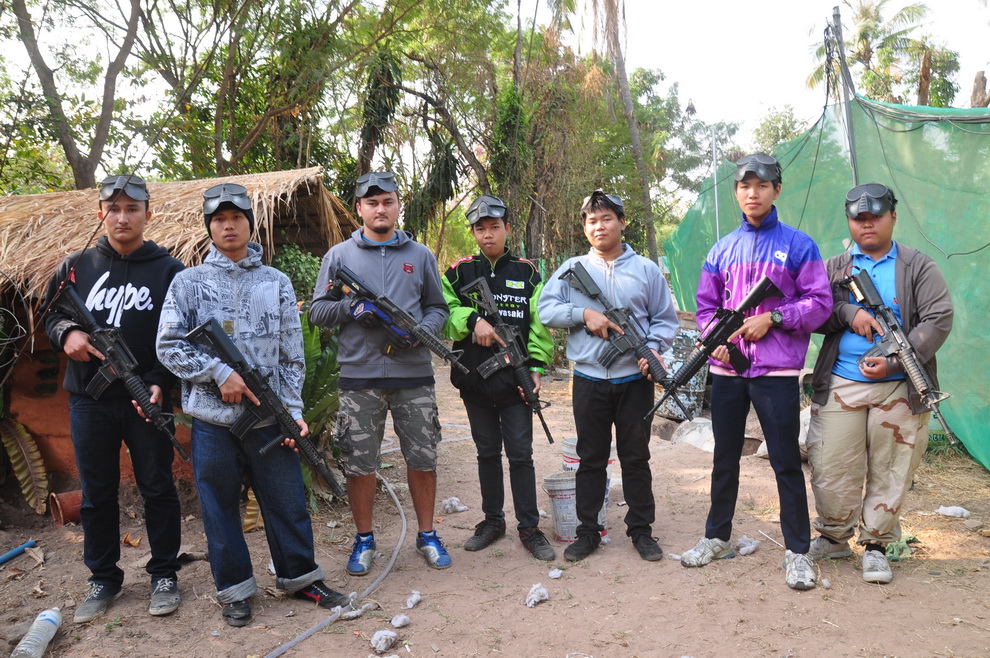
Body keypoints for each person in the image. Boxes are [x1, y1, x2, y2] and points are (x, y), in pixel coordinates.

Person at [156, 183, 349, 627]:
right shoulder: (188, 283)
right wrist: (218, 373)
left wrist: (294, 410)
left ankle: (301, 578)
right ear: (210, 227)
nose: (229, 226)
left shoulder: (275, 282)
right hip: (212, 422)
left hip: (269, 418)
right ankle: (235, 591)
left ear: (250, 224)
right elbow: (168, 346)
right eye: (219, 219)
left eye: (236, 218)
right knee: (219, 508)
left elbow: (292, 355)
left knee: (286, 502)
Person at [677, 153, 831, 591]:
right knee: (724, 459)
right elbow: (706, 308)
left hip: (776, 372)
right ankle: (717, 537)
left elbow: (820, 303)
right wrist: (717, 342)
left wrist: (774, 318)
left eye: (762, 185)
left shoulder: (799, 245)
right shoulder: (721, 249)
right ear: (736, 192)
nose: (752, 193)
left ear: (776, 190)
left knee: (785, 462)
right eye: (744, 186)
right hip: (728, 371)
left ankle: (797, 550)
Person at [42, 174, 183, 624]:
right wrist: (68, 333)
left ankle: (164, 573)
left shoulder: (170, 271)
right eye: (114, 208)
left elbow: (180, 336)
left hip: (148, 399)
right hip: (90, 399)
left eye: (132, 209)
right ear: (100, 213)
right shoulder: (75, 266)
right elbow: (50, 315)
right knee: (97, 492)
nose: (122, 217)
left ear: (148, 213)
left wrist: (160, 382)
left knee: (158, 487)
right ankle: (103, 577)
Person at [806, 183, 952, 584]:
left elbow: (939, 317)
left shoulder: (917, 266)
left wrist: (893, 363)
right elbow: (812, 312)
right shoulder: (835, 267)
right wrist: (848, 313)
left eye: (875, 217)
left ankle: (876, 546)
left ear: (893, 217)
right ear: (849, 221)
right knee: (831, 465)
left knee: (892, 468)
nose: (866, 224)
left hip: (900, 386)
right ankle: (834, 538)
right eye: (859, 218)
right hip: (841, 381)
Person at [309, 171, 452, 575]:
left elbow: (438, 307)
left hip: (414, 374)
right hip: (360, 377)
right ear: (359, 208)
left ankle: (427, 535)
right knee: (360, 463)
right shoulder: (339, 257)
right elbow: (318, 311)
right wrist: (352, 309)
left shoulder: (420, 256)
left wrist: (422, 330)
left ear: (398, 205)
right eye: (371, 203)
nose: (380, 209)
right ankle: (364, 539)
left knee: (422, 458)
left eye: (387, 201)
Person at [538, 190, 678, 563]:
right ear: (585, 227)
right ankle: (588, 532)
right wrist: (584, 315)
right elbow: (546, 310)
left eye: (606, 219)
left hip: (634, 381)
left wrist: (653, 349)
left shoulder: (646, 270)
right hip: (589, 380)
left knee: (636, 457)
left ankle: (641, 531)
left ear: (622, 222)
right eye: (591, 220)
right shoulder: (572, 268)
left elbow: (664, 319)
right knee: (591, 458)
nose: (599, 226)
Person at [441, 195, 556, 561]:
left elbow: (539, 323)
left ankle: (529, 528)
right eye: (480, 229)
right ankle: (492, 521)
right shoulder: (459, 272)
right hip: (475, 379)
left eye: (494, 227)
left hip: (515, 383)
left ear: (507, 228)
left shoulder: (527, 272)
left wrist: (536, 368)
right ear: (473, 233)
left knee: (521, 455)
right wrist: (473, 320)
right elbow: (443, 310)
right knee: (487, 453)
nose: (488, 235)